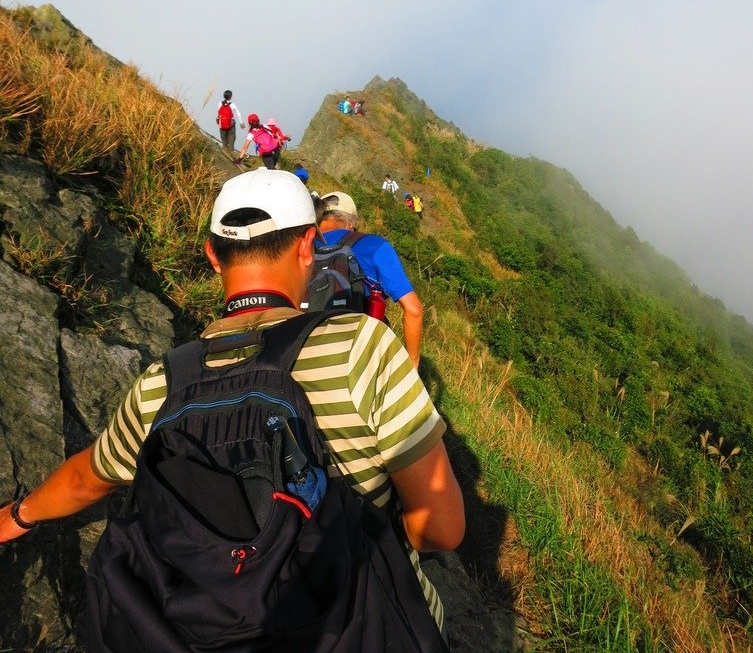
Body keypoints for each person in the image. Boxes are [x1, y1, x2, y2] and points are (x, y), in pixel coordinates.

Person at [0, 170, 464, 641]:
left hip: (220, 630)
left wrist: (18, 516)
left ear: (212, 257)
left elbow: (86, 479)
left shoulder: (163, 383)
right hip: (362, 626)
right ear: (308, 245)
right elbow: (443, 529)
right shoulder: (363, 346)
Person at [318, 191, 424, 369]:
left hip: (304, 345)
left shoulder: (301, 245)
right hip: (358, 355)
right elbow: (413, 310)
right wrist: (413, 363)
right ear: (351, 224)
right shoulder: (374, 245)